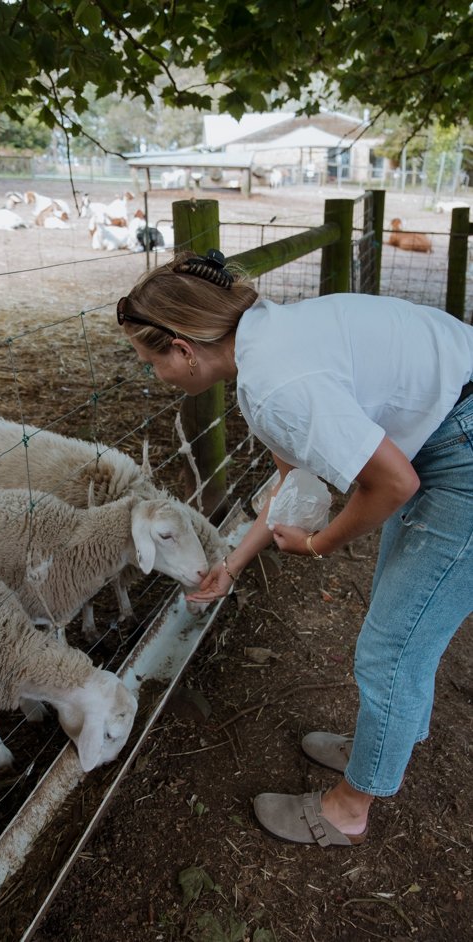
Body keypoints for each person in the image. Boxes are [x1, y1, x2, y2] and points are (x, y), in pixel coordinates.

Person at [116, 248, 473, 848]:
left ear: (182, 349)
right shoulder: (263, 346)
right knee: (402, 626)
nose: (155, 376)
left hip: (460, 446)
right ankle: (381, 741)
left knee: (393, 648)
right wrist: (231, 563)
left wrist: (317, 544)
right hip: (446, 425)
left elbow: (393, 483)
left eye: (151, 361)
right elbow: (292, 482)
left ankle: (350, 809)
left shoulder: (277, 381)